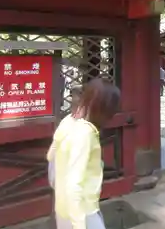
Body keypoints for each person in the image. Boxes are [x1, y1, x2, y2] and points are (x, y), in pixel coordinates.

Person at [48, 78, 121, 229]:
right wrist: (79, 224)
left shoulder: (68, 121)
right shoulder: (85, 134)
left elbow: (51, 158)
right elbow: (73, 184)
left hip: (63, 209)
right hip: (82, 212)